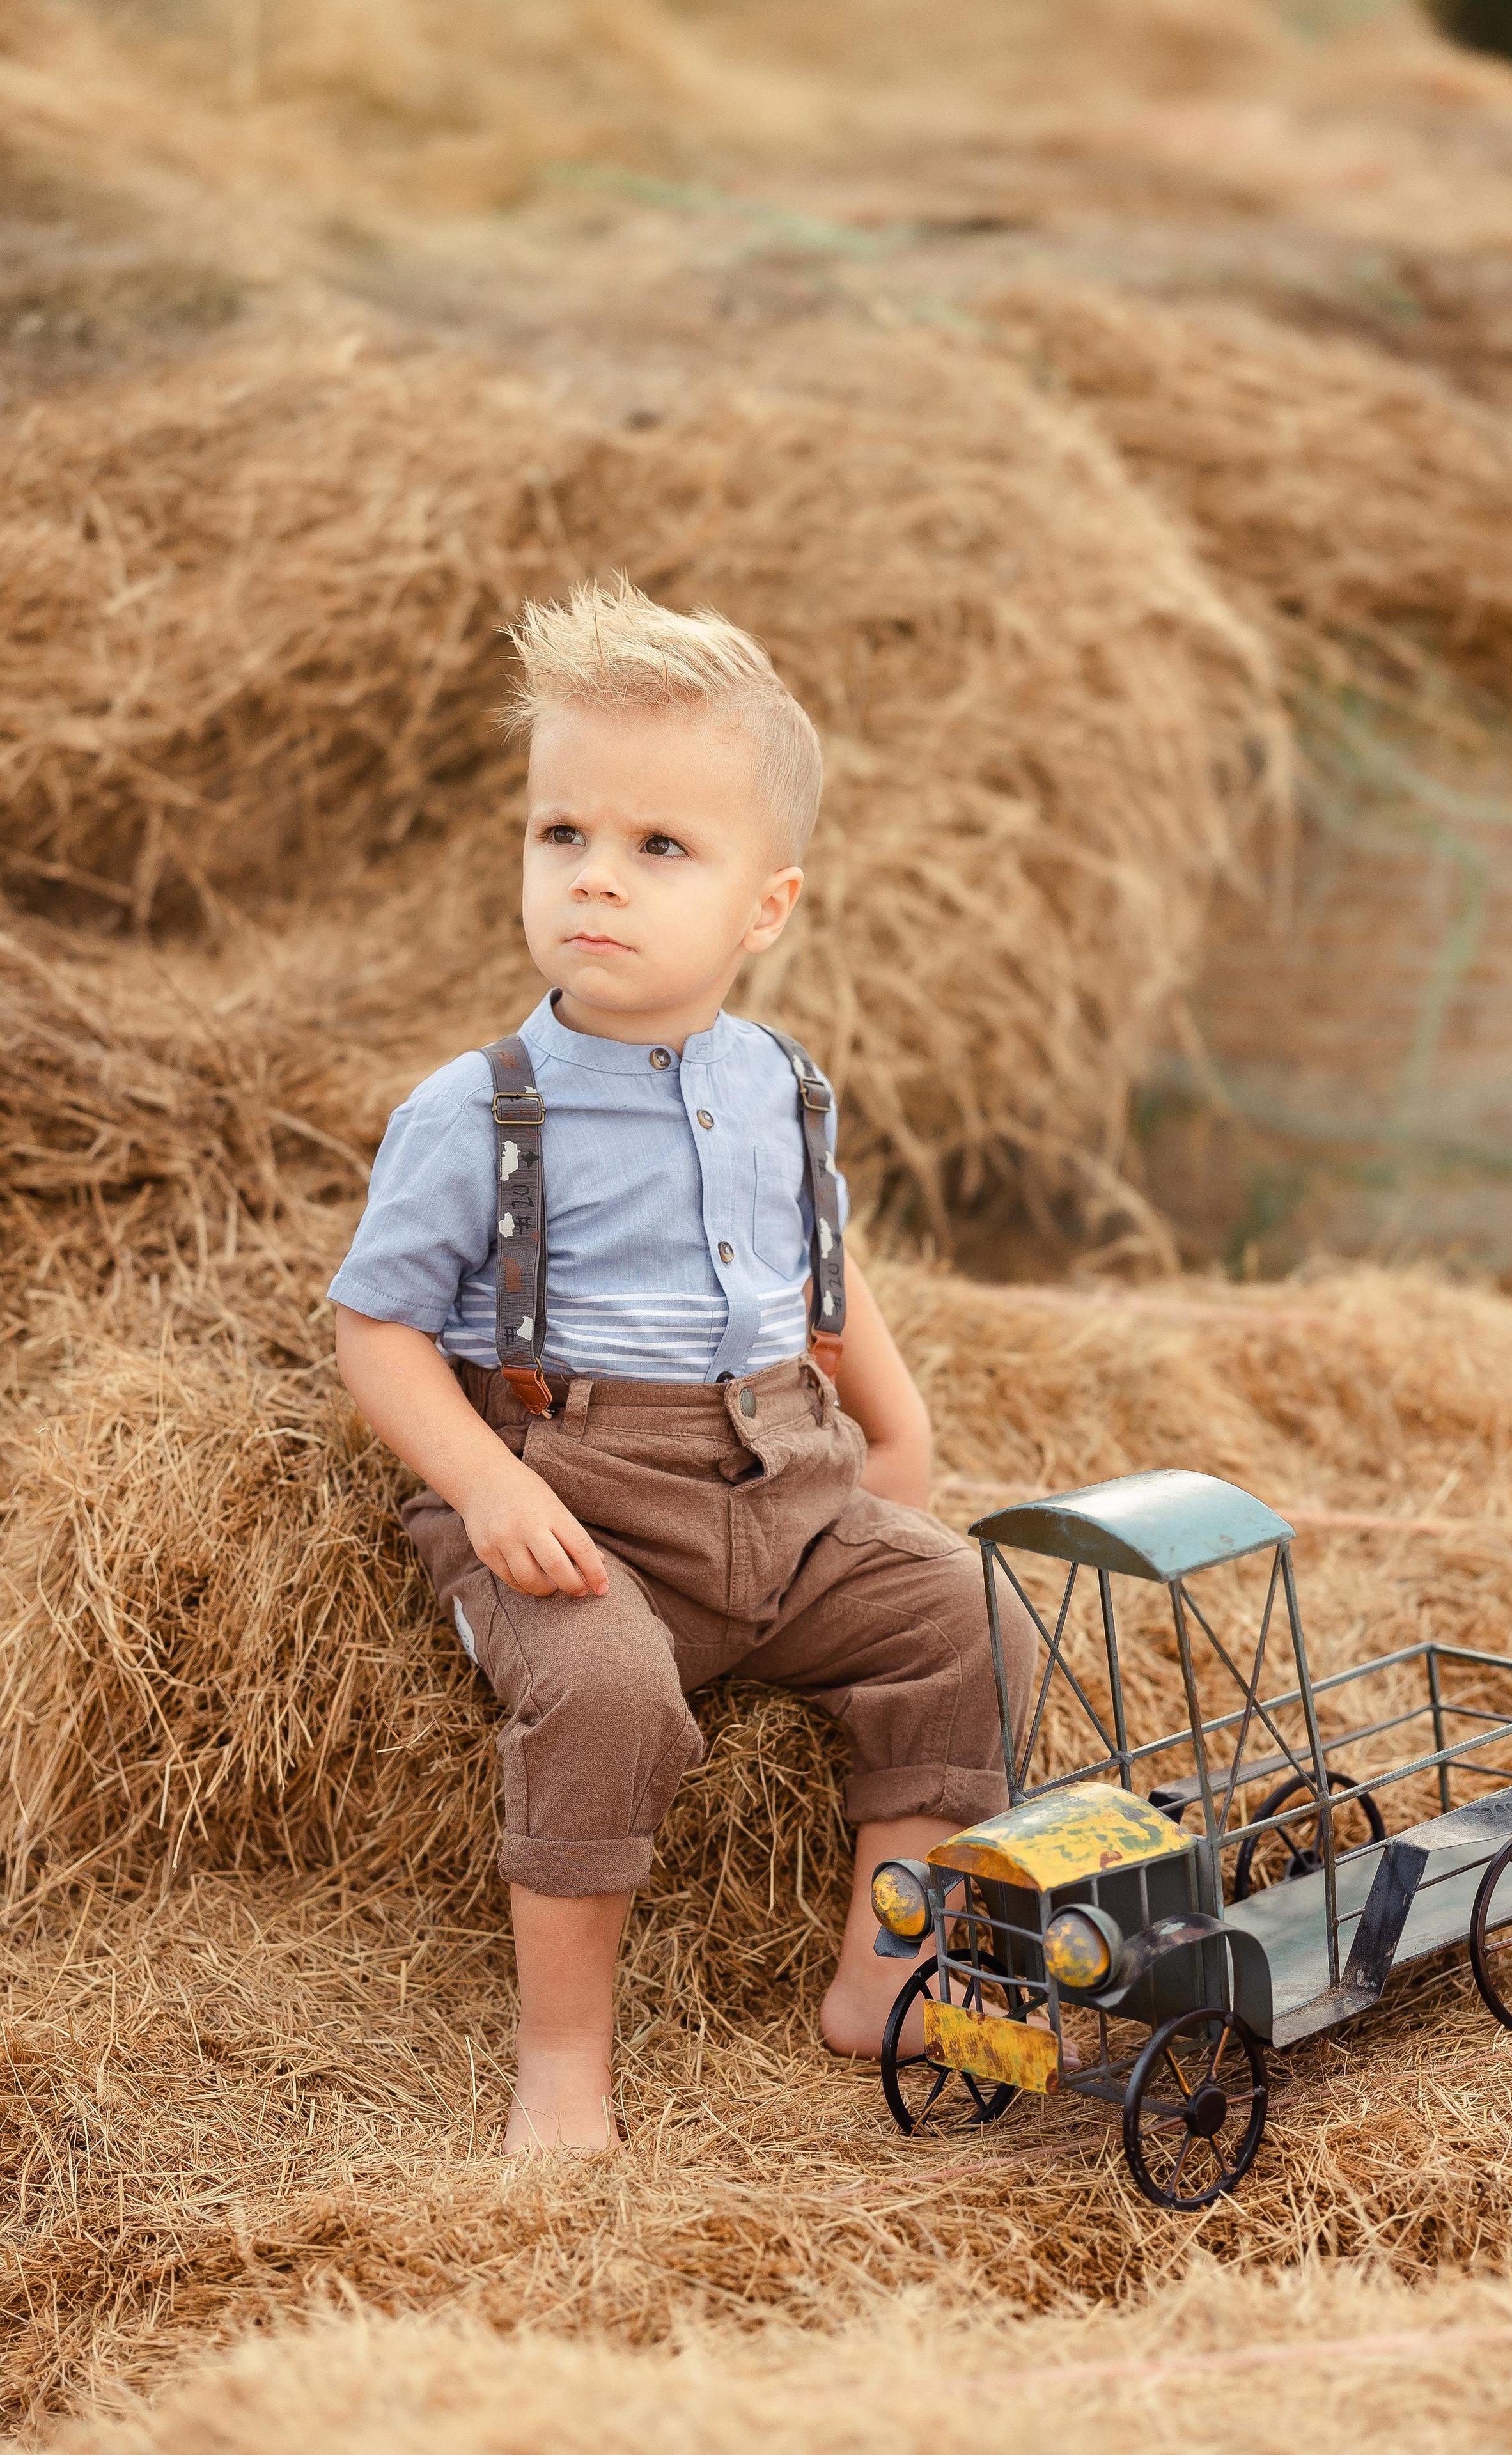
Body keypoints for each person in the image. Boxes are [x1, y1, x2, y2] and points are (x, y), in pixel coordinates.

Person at [330, 576, 1033, 2156]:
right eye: (561, 832)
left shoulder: (782, 1084)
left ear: (763, 908)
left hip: (781, 1486)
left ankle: (887, 1973)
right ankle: (562, 2060)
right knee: (607, 1694)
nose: (595, 876)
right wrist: (484, 1484)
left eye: (659, 847)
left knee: (968, 1620)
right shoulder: (480, 1109)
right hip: (573, 1499)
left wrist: (896, 1431)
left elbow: (822, 1285)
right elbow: (375, 1328)